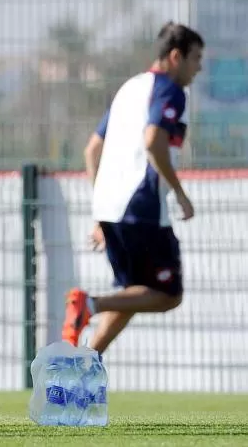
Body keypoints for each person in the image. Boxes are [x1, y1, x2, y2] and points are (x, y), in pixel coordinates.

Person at [63, 22, 204, 355]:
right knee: (168, 294)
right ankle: (90, 304)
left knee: (132, 292)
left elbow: (92, 150)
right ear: (175, 56)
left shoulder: (128, 88)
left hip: (111, 208)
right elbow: (153, 141)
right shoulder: (169, 90)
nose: (199, 68)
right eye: (196, 58)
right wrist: (180, 193)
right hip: (141, 207)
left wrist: (101, 210)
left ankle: (86, 361)